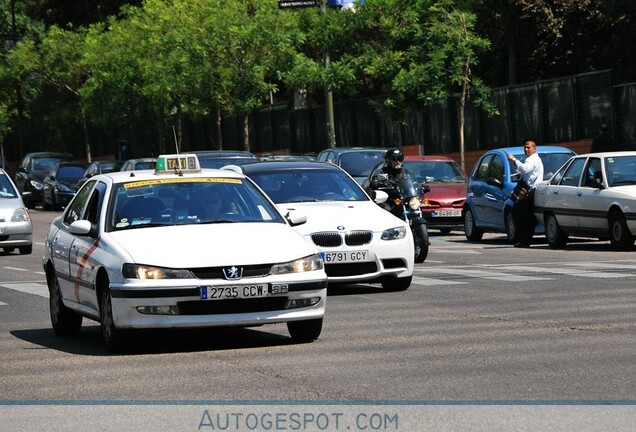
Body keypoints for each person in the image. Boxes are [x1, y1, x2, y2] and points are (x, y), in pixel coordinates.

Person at [507, 140, 544, 248]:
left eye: (528, 147)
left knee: (522, 215)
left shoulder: (532, 159)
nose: (526, 149)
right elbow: (526, 176)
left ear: (534, 148)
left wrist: (514, 160)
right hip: (528, 190)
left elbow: (525, 169)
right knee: (522, 215)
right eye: (525, 147)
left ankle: (524, 240)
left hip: (531, 192)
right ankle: (523, 240)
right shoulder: (532, 159)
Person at [366, 147, 409, 216]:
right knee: (386, 209)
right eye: (394, 159)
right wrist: (381, 183)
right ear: (388, 161)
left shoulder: (405, 172)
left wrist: (421, 185)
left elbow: (412, 182)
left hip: (403, 199)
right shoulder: (383, 172)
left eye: (400, 159)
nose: (398, 162)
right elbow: (375, 182)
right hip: (388, 200)